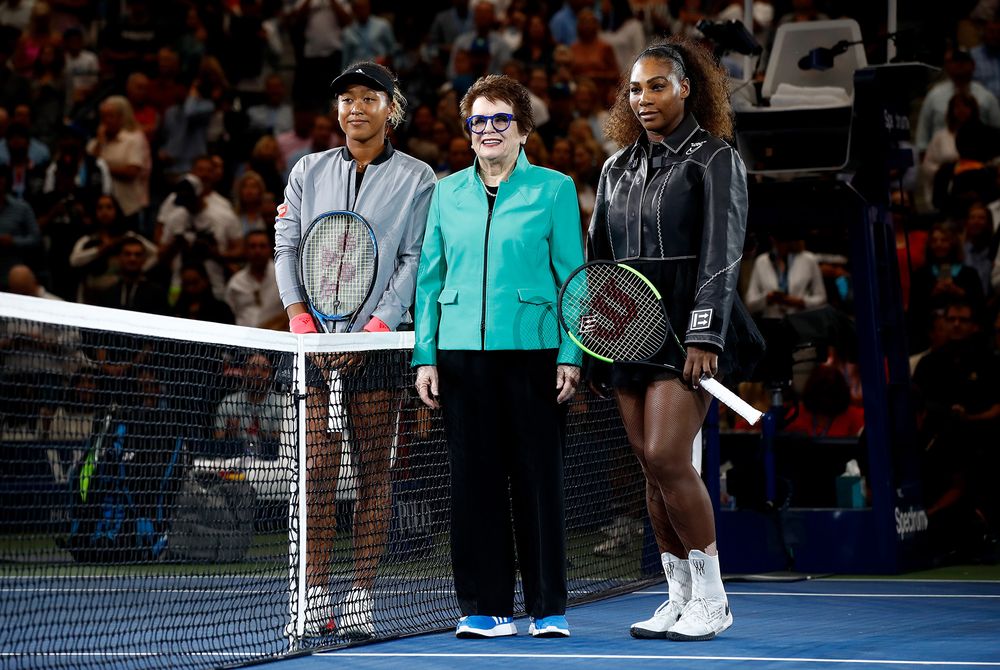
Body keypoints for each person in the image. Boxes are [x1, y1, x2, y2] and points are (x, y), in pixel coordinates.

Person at [589, 37, 761, 641]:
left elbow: (723, 251)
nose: (644, 98)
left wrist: (705, 334)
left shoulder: (715, 158)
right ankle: (678, 594)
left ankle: (713, 597)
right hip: (630, 335)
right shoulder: (615, 168)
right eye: (635, 88)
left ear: (687, 88)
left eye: (657, 85)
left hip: (690, 334)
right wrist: (596, 341)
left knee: (666, 455)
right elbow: (599, 264)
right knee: (649, 464)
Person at [412, 73, 584, 639]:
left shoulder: (555, 190)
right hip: (461, 357)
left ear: (523, 129)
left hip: (535, 355)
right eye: (477, 121)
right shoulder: (445, 191)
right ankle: (484, 607)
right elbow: (429, 279)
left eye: (500, 119)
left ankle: (547, 606)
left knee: (539, 481)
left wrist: (571, 353)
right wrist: (425, 357)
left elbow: (574, 280)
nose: (488, 129)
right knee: (473, 484)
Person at [273, 61, 435, 639]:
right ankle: (314, 594)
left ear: (392, 109)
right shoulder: (307, 171)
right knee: (315, 468)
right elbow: (286, 245)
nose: (356, 108)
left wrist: (375, 329)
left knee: (373, 472)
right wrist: (300, 318)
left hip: (379, 345)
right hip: (313, 344)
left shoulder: (419, 178)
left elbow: (416, 259)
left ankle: (361, 595)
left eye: (370, 98)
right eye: (347, 99)